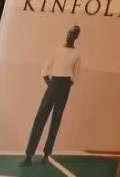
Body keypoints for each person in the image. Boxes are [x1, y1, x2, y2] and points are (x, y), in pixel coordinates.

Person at [25, 24, 82, 163]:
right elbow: (45, 68)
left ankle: (46, 155)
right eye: (69, 32)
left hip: (64, 87)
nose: (70, 35)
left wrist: (67, 84)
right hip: (53, 83)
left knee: (56, 120)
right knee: (40, 118)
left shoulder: (77, 54)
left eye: (74, 33)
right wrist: (50, 84)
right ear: (67, 33)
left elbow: (76, 73)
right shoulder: (56, 50)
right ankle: (29, 155)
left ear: (76, 37)